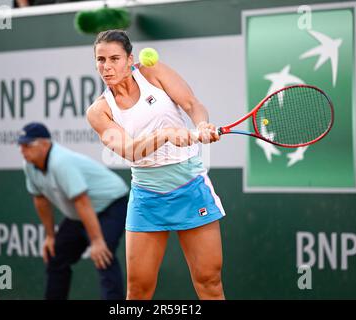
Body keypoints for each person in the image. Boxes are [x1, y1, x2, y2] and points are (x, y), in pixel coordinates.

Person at [87, 29, 226, 300]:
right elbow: (129, 151)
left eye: (114, 58)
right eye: (100, 60)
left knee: (209, 283)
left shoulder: (153, 71)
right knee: (138, 292)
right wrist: (166, 135)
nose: (107, 66)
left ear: (130, 59)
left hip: (191, 189)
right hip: (147, 200)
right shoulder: (99, 111)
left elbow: (192, 104)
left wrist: (201, 125)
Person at [18, 122, 128, 300]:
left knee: (103, 256)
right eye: (21, 145)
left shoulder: (61, 162)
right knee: (56, 256)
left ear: (45, 144)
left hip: (112, 204)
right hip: (81, 213)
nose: (23, 150)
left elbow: (82, 201)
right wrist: (50, 236)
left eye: (28, 145)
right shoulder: (29, 165)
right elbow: (40, 200)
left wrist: (97, 240)